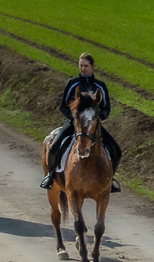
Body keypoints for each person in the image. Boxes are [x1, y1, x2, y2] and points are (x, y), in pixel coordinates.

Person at [40, 53, 122, 192]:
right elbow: (62, 106)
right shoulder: (72, 84)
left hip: (92, 126)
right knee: (54, 147)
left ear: (92, 66)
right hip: (74, 124)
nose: (83, 69)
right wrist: (74, 119)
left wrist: (99, 117)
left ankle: (110, 180)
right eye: (81, 66)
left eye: (86, 66)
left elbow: (106, 108)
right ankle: (51, 175)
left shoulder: (100, 86)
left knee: (116, 150)